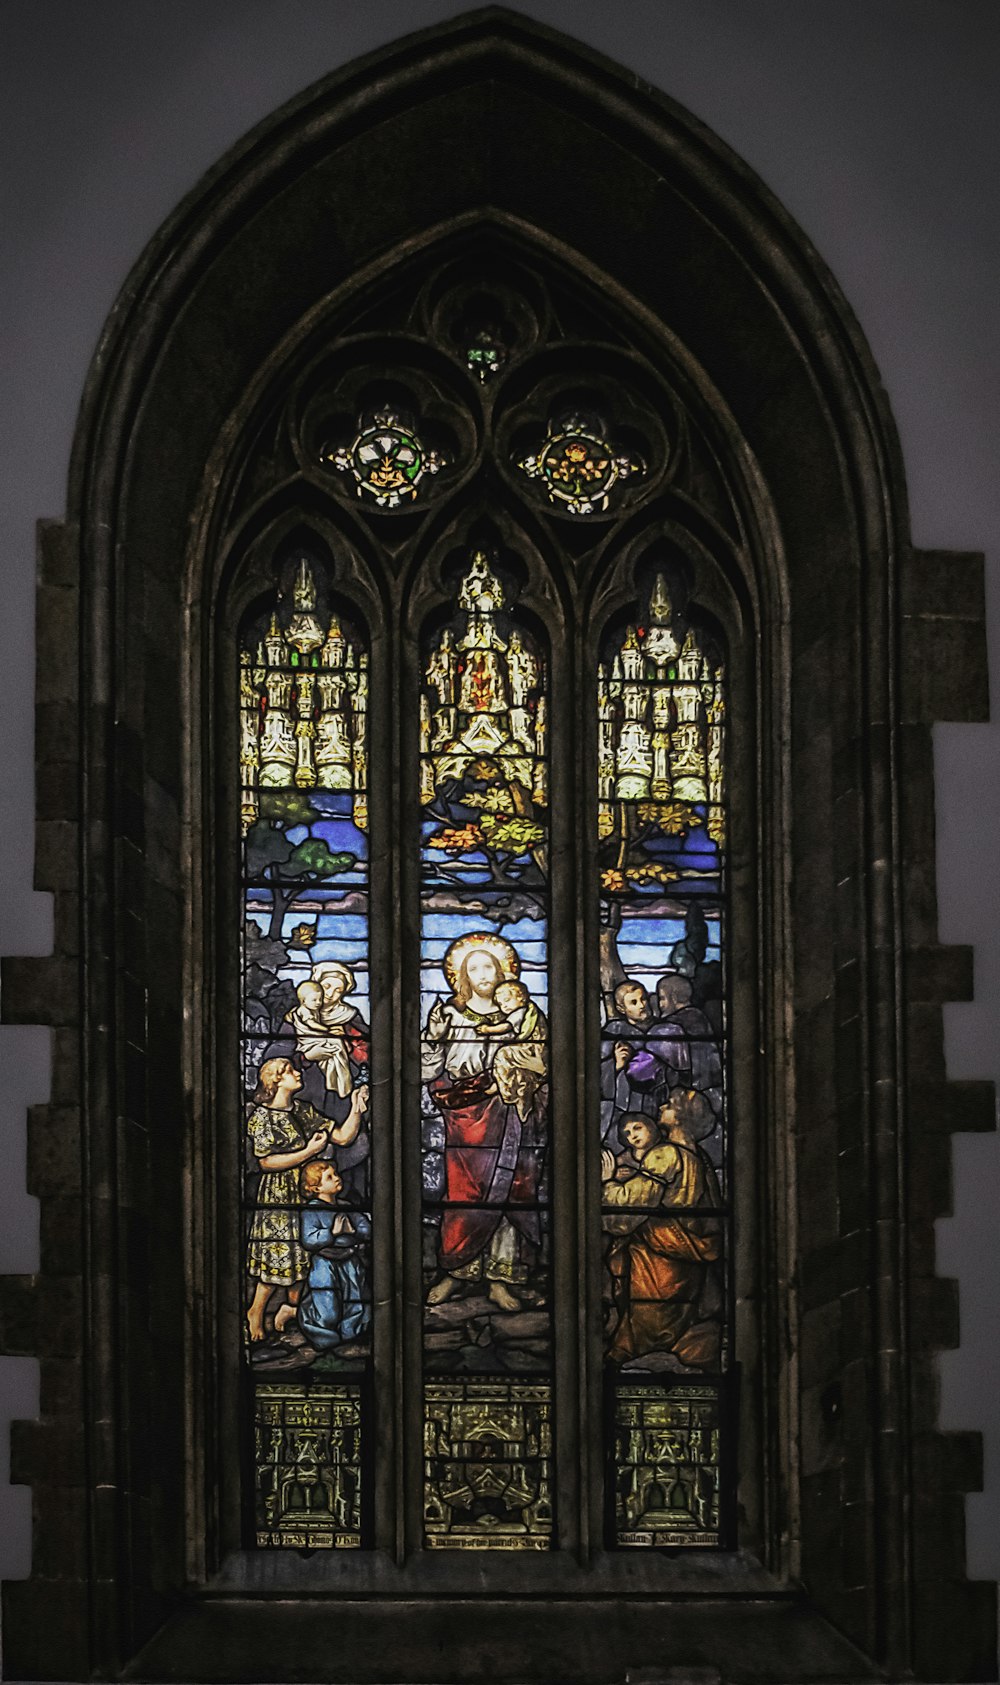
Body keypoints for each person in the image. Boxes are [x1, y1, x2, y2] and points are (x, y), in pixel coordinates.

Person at [421, 933, 544, 1313]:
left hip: (511, 1114)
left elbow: (545, 1063)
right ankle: (458, 1270)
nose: (483, 973)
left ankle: (500, 1279)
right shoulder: (450, 1016)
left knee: (510, 1189)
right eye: (473, 967)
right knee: (464, 1195)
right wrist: (434, 1038)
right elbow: (428, 1069)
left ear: (504, 971)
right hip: (465, 1118)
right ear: (461, 975)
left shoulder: (524, 1018)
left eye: (489, 965)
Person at [245, 1056, 369, 1342]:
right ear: (275, 1081)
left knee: (305, 1258)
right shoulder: (263, 1117)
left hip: (309, 1192)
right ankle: (256, 1311)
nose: (297, 1073)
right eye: (289, 1071)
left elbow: (341, 1137)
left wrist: (355, 1108)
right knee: (279, 1257)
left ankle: (290, 1308)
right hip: (280, 1195)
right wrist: (309, 1153)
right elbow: (267, 1162)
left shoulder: (304, 1110)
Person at [600, 1090, 723, 1370]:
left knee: (646, 1329)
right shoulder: (699, 1157)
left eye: (670, 1104)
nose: (662, 1106)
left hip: (658, 1259)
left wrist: (606, 1183)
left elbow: (626, 1213)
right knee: (670, 1324)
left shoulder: (666, 1154)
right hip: (687, 1264)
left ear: (681, 1116)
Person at [298, 1159, 372, 1353]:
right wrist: (332, 1233)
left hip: (350, 1261)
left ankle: (349, 1336)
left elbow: (367, 1228)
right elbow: (308, 1239)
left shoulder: (346, 1206)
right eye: (330, 1177)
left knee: (354, 1302)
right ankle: (321, 1333)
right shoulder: (311, 1210)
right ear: (316, 1188)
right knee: (328, 1308)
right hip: (324, 1263)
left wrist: (355, 1229)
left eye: (335, 1173)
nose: (337, 1178)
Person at [600, 978, 681, 1143]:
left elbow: (682, 1073)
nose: (642, 1005)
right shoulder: (613, 1032)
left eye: (643, 999)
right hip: (626, 1105)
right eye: (634, 1002)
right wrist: (616, 1066)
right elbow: (596, 1079)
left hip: (659, 1100)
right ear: (621, 1008)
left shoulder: (667, 1030)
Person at [492, 978, 548, 1121]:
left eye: (507, 1000)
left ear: (521, 998)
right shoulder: (529, 1010)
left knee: (502, 1055)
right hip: (535, 1051)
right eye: (500, 1003)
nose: (503, 1006)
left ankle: (508, 1091)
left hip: (532, 1049)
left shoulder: (520, 1012)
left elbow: (505, 1027)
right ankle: (519, 1095)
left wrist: (487, 1029)